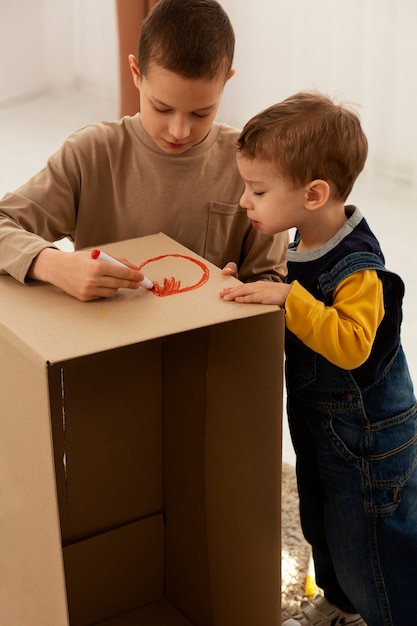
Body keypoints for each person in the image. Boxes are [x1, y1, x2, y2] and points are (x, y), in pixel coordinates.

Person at [220, 91, 417, 626]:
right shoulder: (303, 238)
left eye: (257, 190)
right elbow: (296, 303)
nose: (245, 201)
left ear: (314, 193)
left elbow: (352, 344)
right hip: (324, 425)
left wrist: (288, 298)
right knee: (322, 518)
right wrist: (258, 290)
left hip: (368, 440)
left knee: (372, 543)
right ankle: (340, 604)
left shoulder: (358, 269)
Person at [0, 0, 288, 301]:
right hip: (106, 339)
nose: (179, 131)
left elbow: (272, 284)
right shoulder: (92, 154)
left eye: (201, 113)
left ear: (226, 81)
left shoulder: (254, 166)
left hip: (209, 344)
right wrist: (53, 264)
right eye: (161, 108)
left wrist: (247, 289)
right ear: (136, 73)